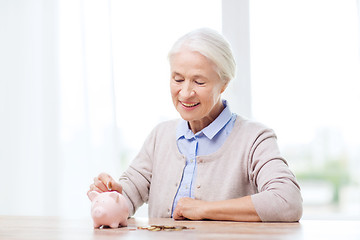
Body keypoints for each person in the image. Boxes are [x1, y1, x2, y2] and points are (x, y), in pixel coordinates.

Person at [88, 28, 303, 222]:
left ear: (224, 83)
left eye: (199, 82)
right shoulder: (160, 136)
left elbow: (287, 200)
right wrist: (112, 194)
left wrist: (204, 209)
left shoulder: (255, 138)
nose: (185, 93)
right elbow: (129, 192)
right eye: (178, 79)